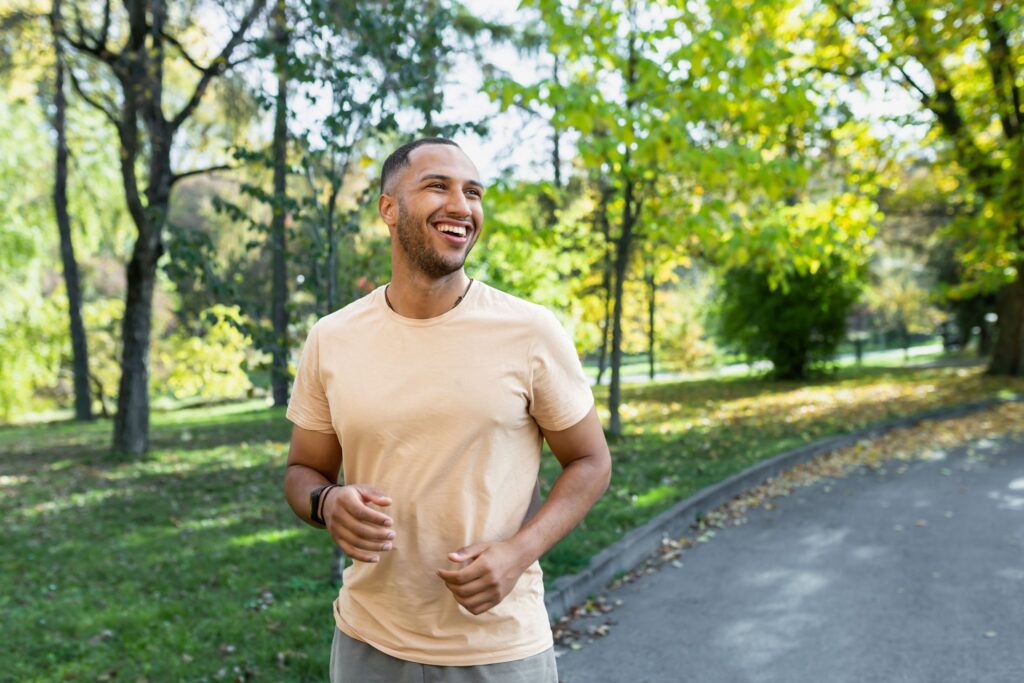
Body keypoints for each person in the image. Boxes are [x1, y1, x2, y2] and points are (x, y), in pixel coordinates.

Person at [283, 137, 612, 682]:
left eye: (474, 192)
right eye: (438, 186)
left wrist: (517, 553)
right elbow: (302, 471)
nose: (463, 206)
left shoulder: (529, 330)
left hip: (500, 648)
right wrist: (325, 502)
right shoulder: (332, 337)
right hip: (368, 643)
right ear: (389, 208)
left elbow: (591, 462)